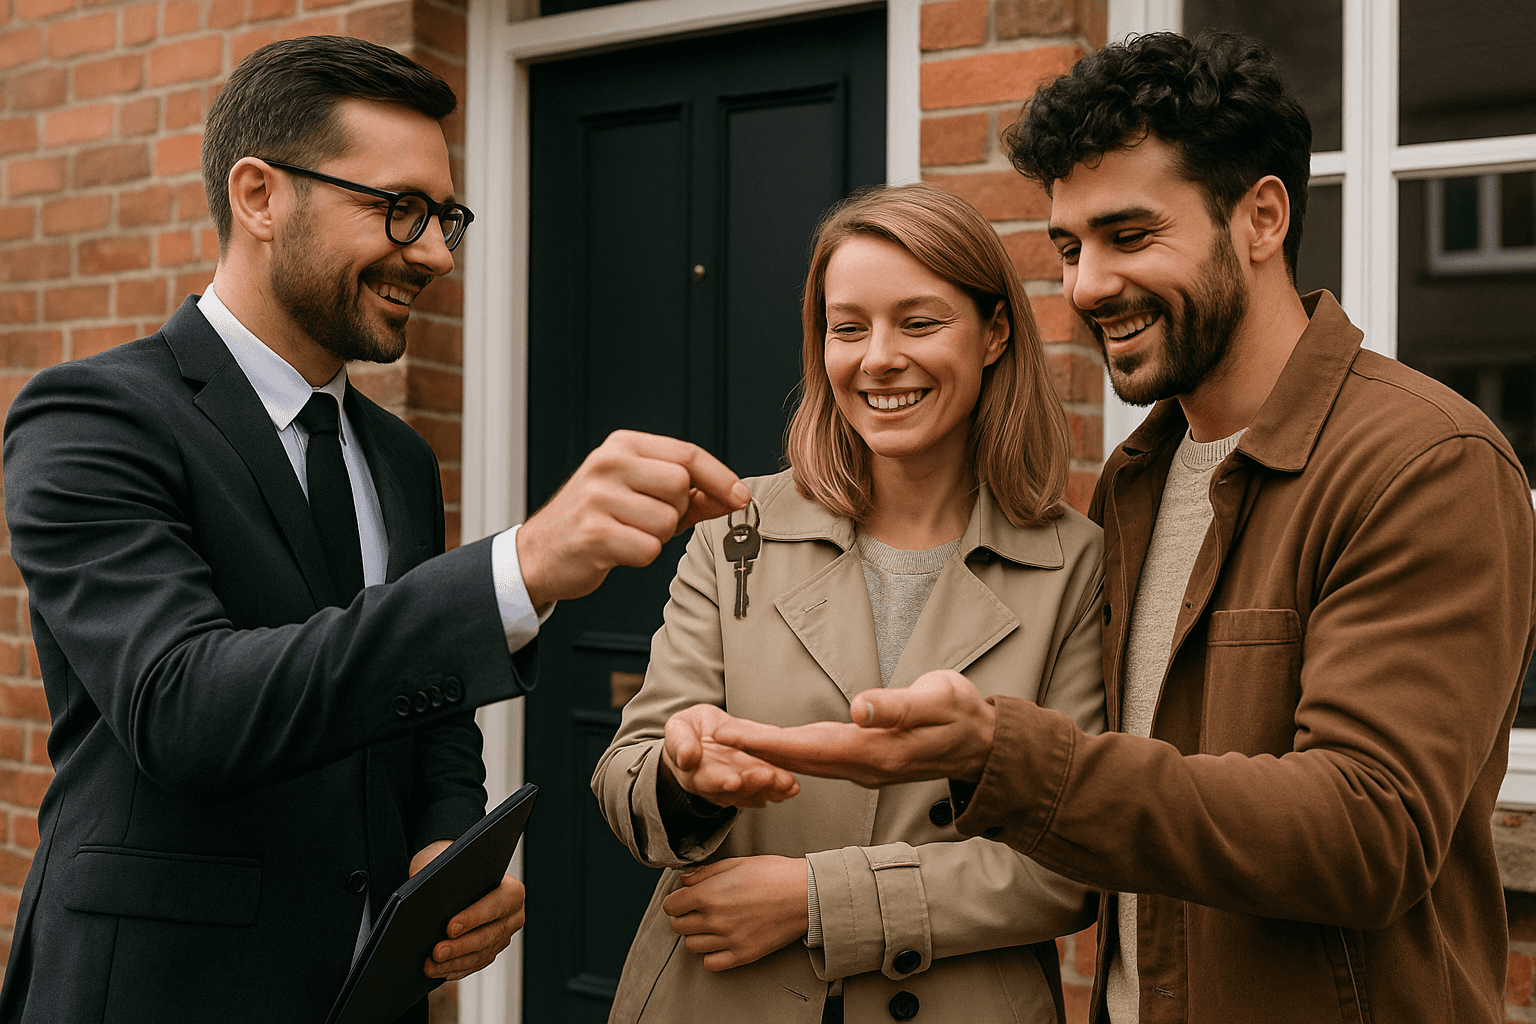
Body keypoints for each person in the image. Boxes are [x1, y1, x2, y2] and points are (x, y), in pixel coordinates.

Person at [694, 32, 1536, 1024]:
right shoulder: (1138, 479)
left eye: (1129, 236)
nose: (1086, 285)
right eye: (1068, 246)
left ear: (1261, 217)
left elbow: (1369, 834)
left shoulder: (1421, 459)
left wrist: (1007, 756)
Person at [0, 36, 748, 1024]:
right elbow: (186, 710)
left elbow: (425, 714)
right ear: (260, 196)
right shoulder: (92, 418)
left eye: (446, 218)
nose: (436, 253)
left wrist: (442, 842)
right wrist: (515, 569)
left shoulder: (398, 457)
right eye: (400, 210)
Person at [592, 183, 1105, 1024]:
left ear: (995, 334)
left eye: (920, 322)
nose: (878, 360)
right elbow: (627, 774)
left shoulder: (1075, 565)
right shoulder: (737, 534)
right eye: (849, 327)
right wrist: (688, 781)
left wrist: (814, 898)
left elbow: (1067, 860)